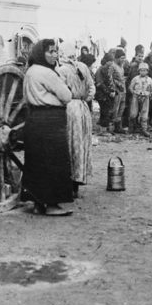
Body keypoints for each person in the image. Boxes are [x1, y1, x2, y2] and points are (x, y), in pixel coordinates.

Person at [22, 39, 74, 216]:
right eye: (50, 52)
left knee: (37, 162)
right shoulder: (47, 73)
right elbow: (66, 96)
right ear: (41, 53)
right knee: (54, 161)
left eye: (55, 52)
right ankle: (52, 205)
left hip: (34, 119)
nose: (54, 55)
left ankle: (37, 204)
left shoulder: (30, 71)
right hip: (51, 120)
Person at [56, 51, 95, 199]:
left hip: (69, 108)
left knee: (70, 144)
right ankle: (77, 184)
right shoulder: (83, 67)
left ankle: (68, 184)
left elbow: (59, 91)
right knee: (81, 145)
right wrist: (86, 98)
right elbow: (92, 87)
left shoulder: (61, 70)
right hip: (83, 107)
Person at [128, 62, 152, 137]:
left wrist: (149, 93)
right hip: (136, 96)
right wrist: (134, 93)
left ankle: (144, 129)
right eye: (141, 70)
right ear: (139, 71)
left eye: (145, 70)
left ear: (147, 71)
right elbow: (130, 87)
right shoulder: (135, 78)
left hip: (145, 97)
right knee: (133, 113)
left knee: (144, 113)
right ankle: (131, 127)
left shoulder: (150, 80)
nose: (143, 72)